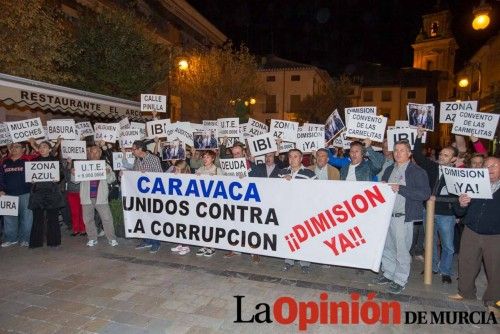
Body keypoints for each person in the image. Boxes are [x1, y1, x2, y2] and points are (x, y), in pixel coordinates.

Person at [374, 140, 431, 294]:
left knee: (402, 250)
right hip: (387, 216)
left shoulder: (417, 171)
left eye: (402, 150)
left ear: (409, 153)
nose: (398, 153)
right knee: (387, 247)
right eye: (396, 150)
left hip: (402, 217)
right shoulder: (389, 169)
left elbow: (424, 194)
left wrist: (401, 188)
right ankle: (389, 273)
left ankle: (400, 280)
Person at [449, 156, 500, 313]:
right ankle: (466, 292)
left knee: (495, 269)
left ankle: (494, 301)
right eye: (487, 166)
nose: (490, 169)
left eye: (494, 166)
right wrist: (461, 203)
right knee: (466, 262)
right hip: (471, 230)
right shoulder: (473, 185)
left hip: (495, 235)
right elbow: (459, 211)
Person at [413, 126, 459, 284]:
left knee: (448, 245)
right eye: (441, 154)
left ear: (453, 159)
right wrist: (419, 136)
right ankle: (432, 267)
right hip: (429, 212)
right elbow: (418, 156)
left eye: (446, 155)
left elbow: (460, 197)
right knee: (429, 242)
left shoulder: (460, 174)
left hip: (447, 214)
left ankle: (445, 271)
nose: (441, 156)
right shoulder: (433, 167)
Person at [278, 149, 317, 274]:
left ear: (301, 159)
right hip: (287, 211)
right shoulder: (281, 173)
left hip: (303, 211)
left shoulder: (310, 174)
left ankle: (304, 263)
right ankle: (289, 261)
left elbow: (317, 192)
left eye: (295, 157)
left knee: (303, 237)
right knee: (289, 237)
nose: (292, 159)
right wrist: (282, 182)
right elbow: (273, 188)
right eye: (290, 157)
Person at [77, 145, 118, 247]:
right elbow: (75, 180)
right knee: (88, 219)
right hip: (86, 197)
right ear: (89, 153)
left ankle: (111, 238)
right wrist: (74, 173)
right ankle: (92, 238)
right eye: (92, 152)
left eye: (96, 152)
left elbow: (112, 179)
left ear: (100, 154)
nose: (94, 154)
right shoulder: (83, 166)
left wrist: (108, 173)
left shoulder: (105, 165)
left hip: (100, 197)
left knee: (107, 218)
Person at [127, 140, 164, 253]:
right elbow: (134, 174)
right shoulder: (137, 160)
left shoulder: (154, 159)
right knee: (142, 218)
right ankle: (147, 240)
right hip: (140, 195)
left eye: (134, 149)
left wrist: (147, 173)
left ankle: (156, 243)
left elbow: (160, 175)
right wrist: (126, 173)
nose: (132, 152)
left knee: (153, 218)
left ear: (140, 149)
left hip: (152, 195)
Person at [28, 141, 64, 248]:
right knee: (37, 218)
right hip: (37, 193)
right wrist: (31, 180)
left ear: (49, 149)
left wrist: (58, 178)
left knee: (53, 218)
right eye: (40, 147)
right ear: (38, 149)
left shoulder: (55, 161)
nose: (42, 148)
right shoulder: (33, 161)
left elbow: (61, 174)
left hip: (52, 193)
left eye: (45, 147)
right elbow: (29, 177)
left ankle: (54, 242)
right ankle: (36, 243)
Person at [0, 142, 36, 247]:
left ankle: (25, 239)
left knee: (27, 218)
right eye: (12, 147)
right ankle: (11, 239)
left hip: (26, 193)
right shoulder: (4, 162)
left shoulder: (28, 160)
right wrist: (1, 189)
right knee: (9, 219)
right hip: (8, 195)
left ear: (23, 149)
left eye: (17, 147)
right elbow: (1, 177)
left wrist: (34, 180)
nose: (13, 149)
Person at [195, 150, 223, 257]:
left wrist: (216, 179)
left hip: (213, 203)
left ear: (212, 159)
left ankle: (212, 246)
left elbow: (224, 185)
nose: (205, 159)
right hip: (202, 202)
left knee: (212, 225)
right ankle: (203, 245)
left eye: (207, 157)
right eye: (204, 157)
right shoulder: (199, 170)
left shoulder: (217, 170)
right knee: (202, 224)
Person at [169, 160, 192, 256]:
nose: (176, 171)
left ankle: (186, 246)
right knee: (178, 224)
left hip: (186, 205)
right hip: (178, 204)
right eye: (175, 169)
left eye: (178, 169)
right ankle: (180, 243)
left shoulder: (189, 178)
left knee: (185, 225)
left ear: (183, 170)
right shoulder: (174, 176)